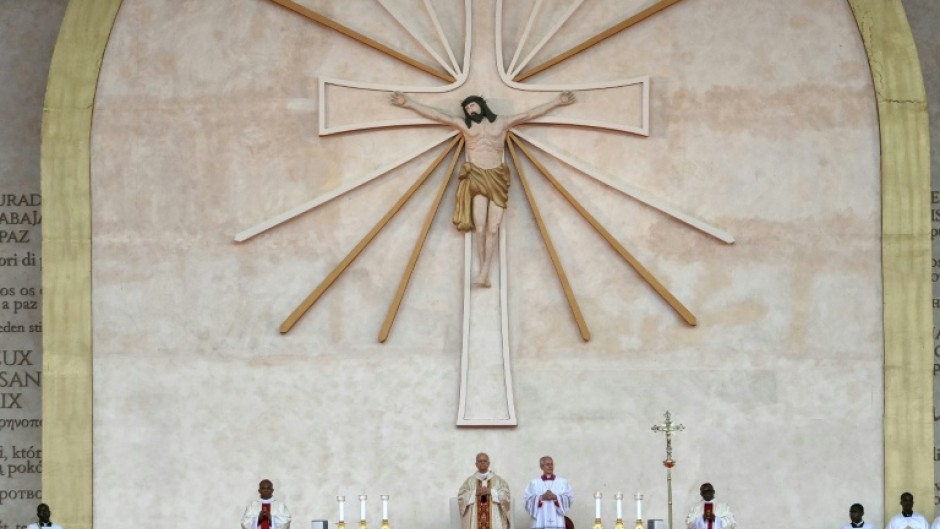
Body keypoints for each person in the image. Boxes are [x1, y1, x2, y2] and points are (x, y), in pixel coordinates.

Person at [391, 91, 575, 288]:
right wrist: (409, 103)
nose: (470, 110)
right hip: (476, 176)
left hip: (496, 177)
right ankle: (483, 272)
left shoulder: (501, 123)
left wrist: (557, 102)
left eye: (472, 105)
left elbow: (529, 114)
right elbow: (438, 116)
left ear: (481, 105)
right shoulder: (466, 126)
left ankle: (485, 272)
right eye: (467, 108)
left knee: (493, 228)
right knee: (479, 226)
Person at [458, 452, 512, 529]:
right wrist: (474, 493)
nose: (482, 463)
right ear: (476, 464)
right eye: (480, 461)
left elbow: (506, 495)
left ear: (488, 463)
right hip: (475, 521)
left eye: (484, 461)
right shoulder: (470, 481)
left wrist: (492, 492)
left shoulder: (499, 480)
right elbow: (461, 496)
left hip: (494, 520)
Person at [523, 456, 573, 529]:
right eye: (547, 464)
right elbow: (527, 500)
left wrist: (556, 497)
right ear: (541, 467)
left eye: (551, 464)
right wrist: (541, 497)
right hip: (540, 520)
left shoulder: (563, 482)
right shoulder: (534, 483)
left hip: (557, 520)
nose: (550, 466)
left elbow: (569, 498)